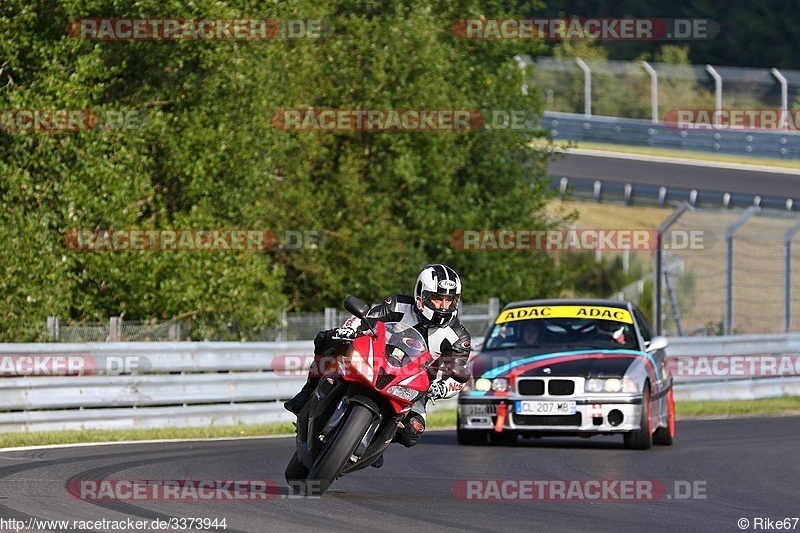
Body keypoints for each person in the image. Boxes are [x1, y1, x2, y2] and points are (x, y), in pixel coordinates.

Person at [283, 264, 472, 454]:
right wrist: (350, 330)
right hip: (376, 362)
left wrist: (441, 387)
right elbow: (367, 318)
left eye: (449, 300)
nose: (443, 305)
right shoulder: (399, 304)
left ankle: (375, 442)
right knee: (327, 339)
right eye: (437, 298)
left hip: (412, 387)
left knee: (413, 431)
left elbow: (457, 373)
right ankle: (307, 390)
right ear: (421, 295)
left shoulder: (459, 337)